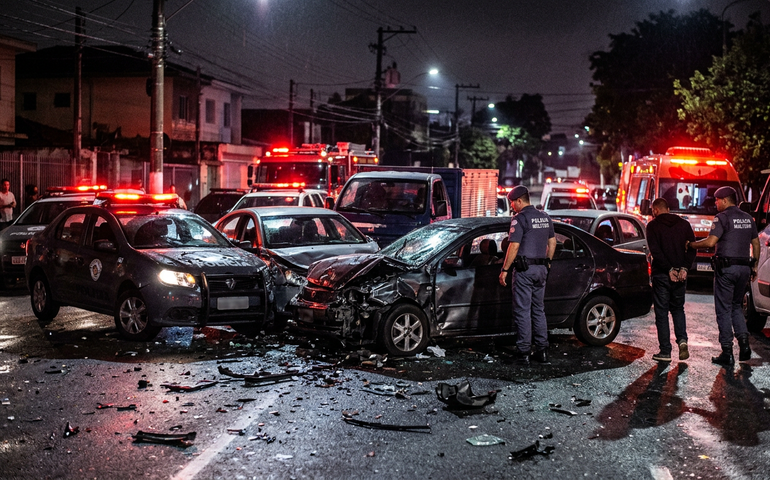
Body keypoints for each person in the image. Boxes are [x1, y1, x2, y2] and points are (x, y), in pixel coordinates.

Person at [688, 186, 760, 366]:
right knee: (736, 306)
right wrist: (755, 265)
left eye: (717, 200)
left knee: (723, 310)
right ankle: (744, 347)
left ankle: (727, 351)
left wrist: (691, 245)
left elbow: (711, 241)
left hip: (726, 270)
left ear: (725, 200)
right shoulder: (747, 218)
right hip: (744, 269)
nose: (715, 203)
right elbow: (756, 243)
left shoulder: (722, 218)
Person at [498, 185, 556, 365]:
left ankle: (523, 353)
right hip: (541, 270)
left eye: (512, 203)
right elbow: (553, 243)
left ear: (519, 201)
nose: (512, 207)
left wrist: (505, 270)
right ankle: (542, 351)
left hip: (525, 271)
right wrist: (547, 262)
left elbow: (513, 246)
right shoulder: (545, 217)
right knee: (538, 310)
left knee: (522, 311)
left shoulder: (520, 219)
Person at [646, 198, 697, 362]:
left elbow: (656, 252)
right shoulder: (684, 225)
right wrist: (684, 268)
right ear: (668, 208)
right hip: (680, 276)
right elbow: (692, 248)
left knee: (661, 312)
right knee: (677, 309)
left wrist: (669, 269)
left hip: (662, 275)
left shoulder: (652, 226)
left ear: (655, 210)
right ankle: (682, 341)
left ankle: (665, 351)